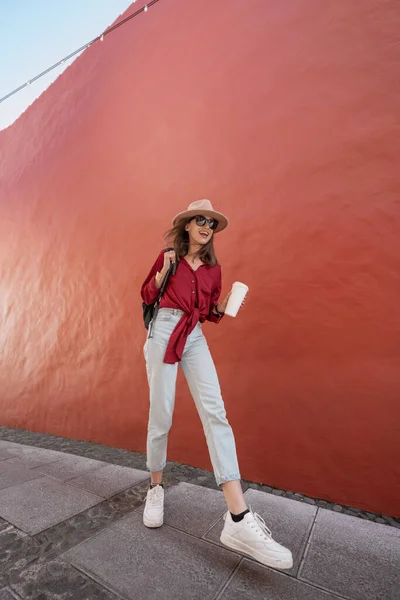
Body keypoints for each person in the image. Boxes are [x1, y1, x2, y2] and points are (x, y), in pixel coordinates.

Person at [140, 199, 293, 570]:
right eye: (201, 220)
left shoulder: (213, 269)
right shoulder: (168, 257)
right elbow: (147, 295)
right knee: (162, 414)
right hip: (163, 330)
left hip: (193, 335)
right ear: (188, 226)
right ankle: (155, 488)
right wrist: (163, 275)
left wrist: (224, 305)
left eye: (212, 222)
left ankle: (238, 518)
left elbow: (209, 313)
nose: (207, 226)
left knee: (216, 412)